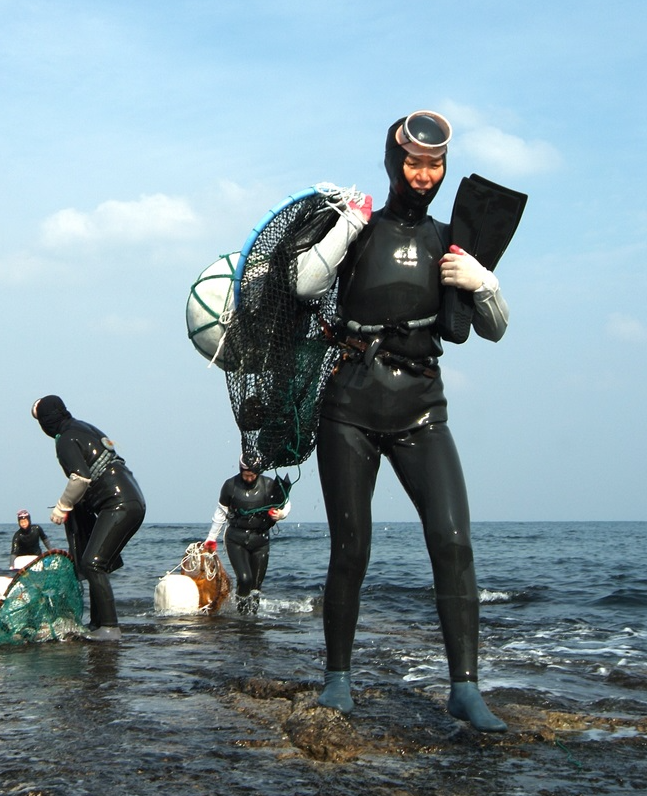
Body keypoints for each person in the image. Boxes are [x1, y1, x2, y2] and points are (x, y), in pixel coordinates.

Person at [298, 111, 510, 732]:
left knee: (452, 542)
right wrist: (346, 228)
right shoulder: (361, 228)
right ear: (394, 163)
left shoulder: (453, 239)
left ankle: (464, 687)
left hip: (421, 406)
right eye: (414, 163)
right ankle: (337, 678)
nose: (424, 175)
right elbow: (307, 283)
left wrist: (486, 282)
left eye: (435, 165)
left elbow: (493, 329)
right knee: (351, 548)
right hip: (350, 410)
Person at [32, 395, 146, 641]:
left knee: (93, 563)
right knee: (95, 562)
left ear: (47, 421)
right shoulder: (83, 426)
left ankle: (109, 628)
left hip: (118, 504)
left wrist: (62, 506)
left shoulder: (65, 439)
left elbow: (80, 478)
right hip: (131, 498)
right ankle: (96, 623)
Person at [203, 454, 290, 615]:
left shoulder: (269, 484)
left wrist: (281, 514)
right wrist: (211, 538)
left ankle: (253, 618)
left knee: (256, 585)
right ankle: (242, 614)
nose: (249, 478)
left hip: (260, 540)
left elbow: (286, 503)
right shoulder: (230, 486)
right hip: (236, 539)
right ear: (240, 470)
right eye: (246, 475)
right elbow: (221, 513)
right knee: (245, 579)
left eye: (253, 475)